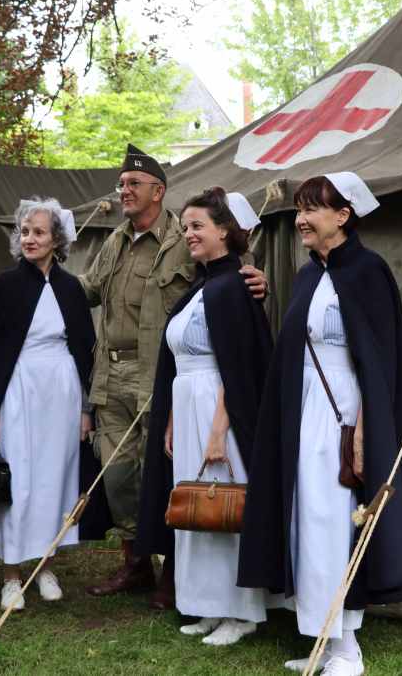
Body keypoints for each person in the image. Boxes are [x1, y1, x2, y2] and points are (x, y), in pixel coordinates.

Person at [238, 173, 402, 675]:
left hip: (346, 416)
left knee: (333, 523)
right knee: (307, 521)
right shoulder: (308, 276)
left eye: (311, 210)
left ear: (343, 216)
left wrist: (366, 433)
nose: (300, 220)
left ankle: (348, 649)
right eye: (299, 210)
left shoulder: (369, 272)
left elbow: (381, 364)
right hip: (305, 415)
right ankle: (324, 641)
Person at [79, 144, 268, 607]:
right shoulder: (114, 240)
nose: (123, 191)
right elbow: (87, 290)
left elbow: (223, 272)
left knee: (166, 474)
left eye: (133, 184)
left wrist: (255, 278)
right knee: (119, 477)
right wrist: (43, 268)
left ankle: (174, 573)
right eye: (121, 184)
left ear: (158, 191)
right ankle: (136, 563)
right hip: (112, 374)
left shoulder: (181, 238)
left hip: (157, 376)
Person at [0, 198, 110, 611]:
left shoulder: (71, 288)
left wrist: (85, 409)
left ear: (57, 239)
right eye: (25, 232)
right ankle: (12, 575)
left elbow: (84, 350)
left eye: (39, 232)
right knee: (17, 480)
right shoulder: (4, 286)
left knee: (56, 478)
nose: (29, 239)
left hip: (62, 392)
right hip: (18, 389)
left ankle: (45, 565)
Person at [136, 188, 273, 645]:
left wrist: (218, 431)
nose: (188, 234)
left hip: (219, 412)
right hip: (189, 406)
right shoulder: (202, 287)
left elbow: (237, 366)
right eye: (185, 227)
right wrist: (172, 419)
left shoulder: (235, 286)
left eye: (198, 226)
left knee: (226, 506)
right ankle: (209, 605)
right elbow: (179, 362)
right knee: (197, 510)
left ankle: (241, 612)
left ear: (225, 232)